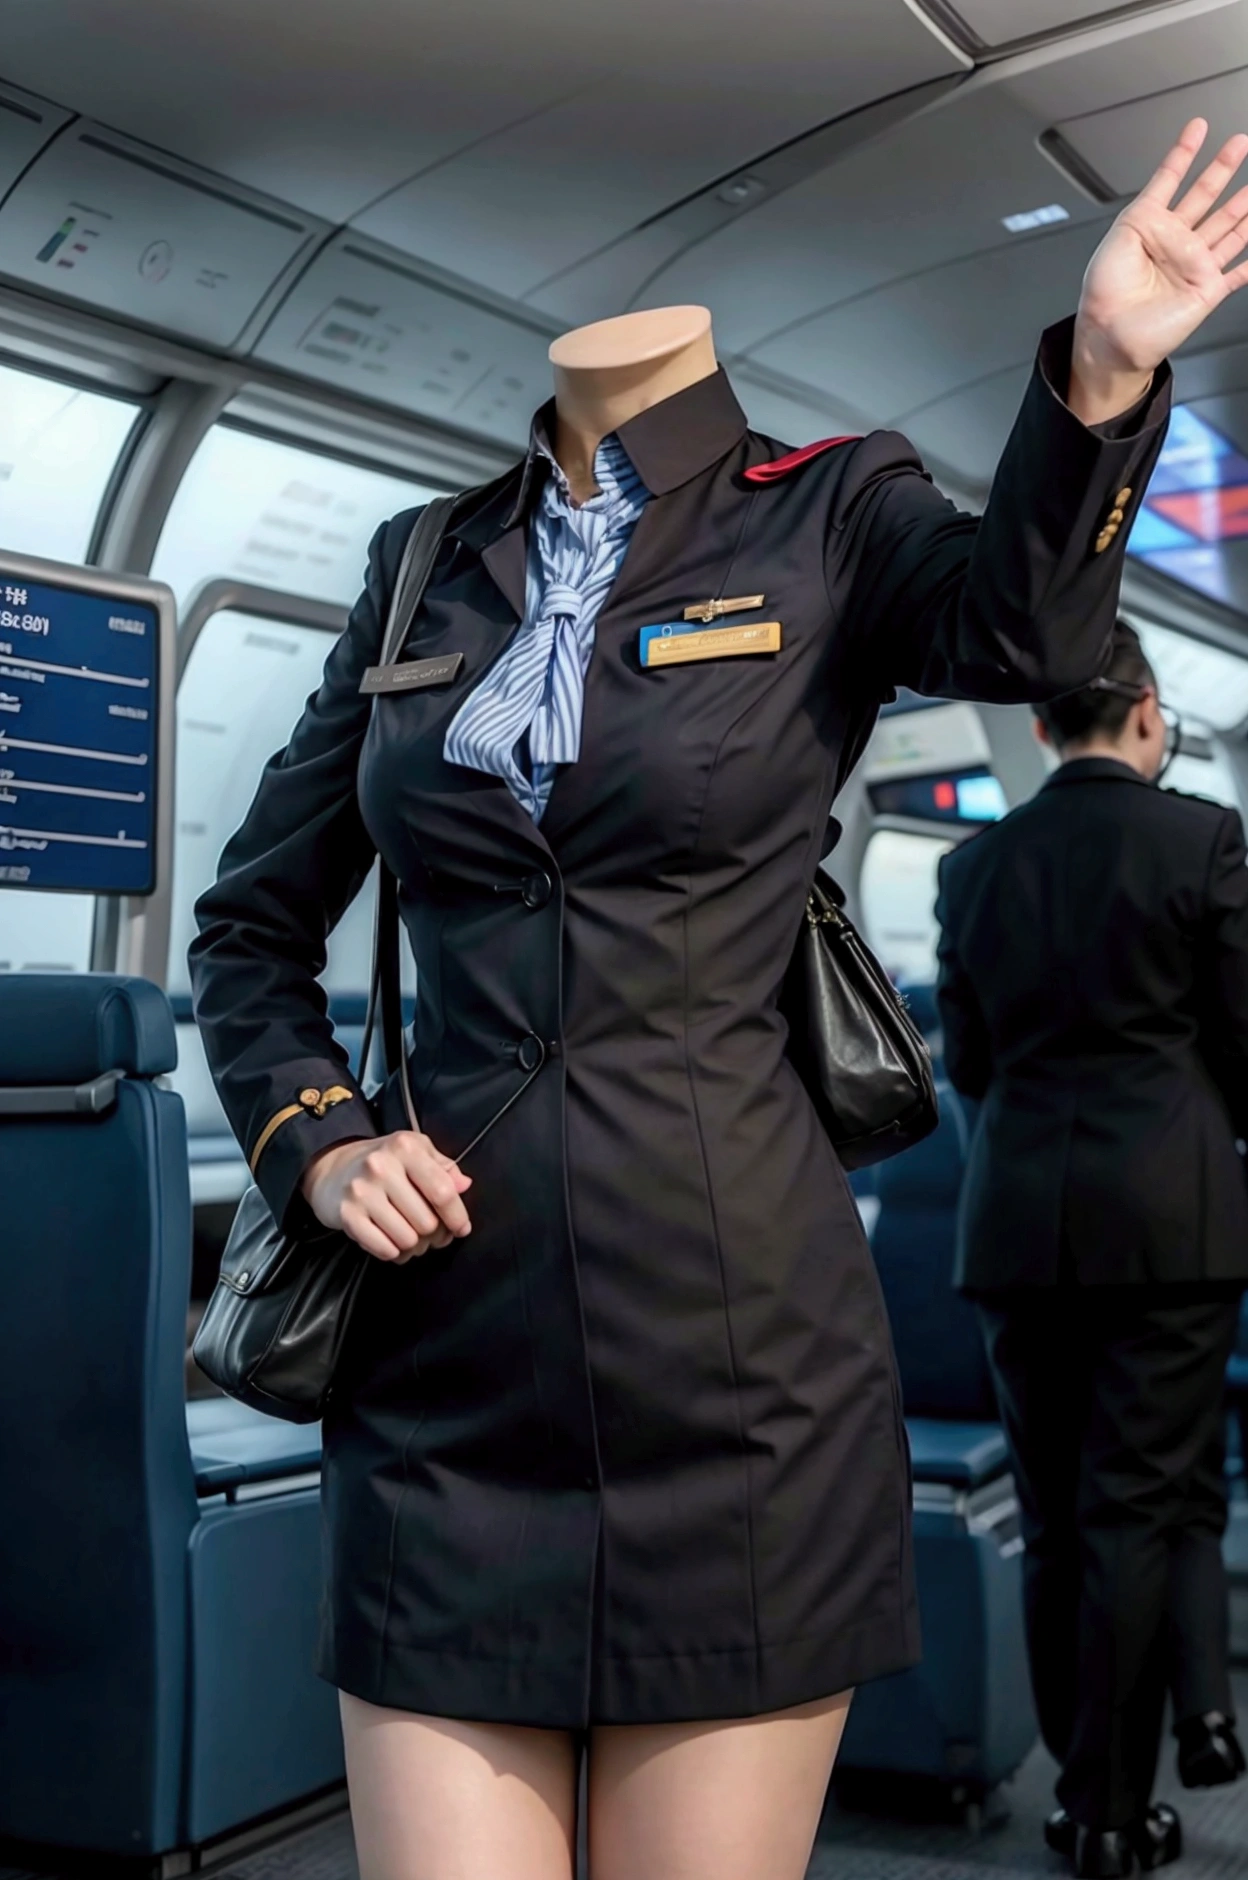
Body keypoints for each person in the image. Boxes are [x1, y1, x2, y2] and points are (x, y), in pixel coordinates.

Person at [191, 121, 1246, 1880]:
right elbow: (245, 928)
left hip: (734, 1383)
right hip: (443, 1379)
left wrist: (1100, 378)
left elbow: (1029, 640)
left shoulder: (832, 510)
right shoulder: (419, 565)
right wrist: (314, 1140)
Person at [935, 621, 1248, 1879]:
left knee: (1058, 1517)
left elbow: (965, 1064)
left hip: (1014, 1224)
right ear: (1148, 712)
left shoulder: (974, 869)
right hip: (1172, 1227)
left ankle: (1080, 1789)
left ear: (1039, 728)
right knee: (1135, 1505)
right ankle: (1117, 1812)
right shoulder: (1205, 840)